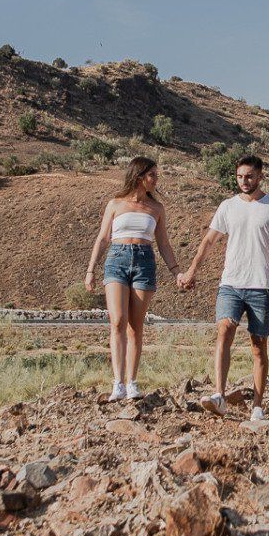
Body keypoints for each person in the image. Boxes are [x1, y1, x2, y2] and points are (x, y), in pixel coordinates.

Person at [177, 154, 269, 422]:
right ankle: (219, 395)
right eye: (240, 176)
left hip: (260, 286)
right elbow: (209, 241)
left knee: (258, 346)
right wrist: (193, 269)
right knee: (225, 330)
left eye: (249, 176)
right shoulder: (228, 206)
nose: (244, 181)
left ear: (260, 176)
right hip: (231, 282)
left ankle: (257, 406)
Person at [83, 156, 182, 401]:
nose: (156, 179)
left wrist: (176, 271)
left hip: (144, 261)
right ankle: (117, 382)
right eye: (153, 175)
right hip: (116, 259)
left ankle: (132, 382)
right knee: (117, 321)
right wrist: (91, 270)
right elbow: (103, 238)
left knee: (135, 327)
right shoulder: (115, 204)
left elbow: (163, 243)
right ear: (140, 176)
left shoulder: (157, 208)